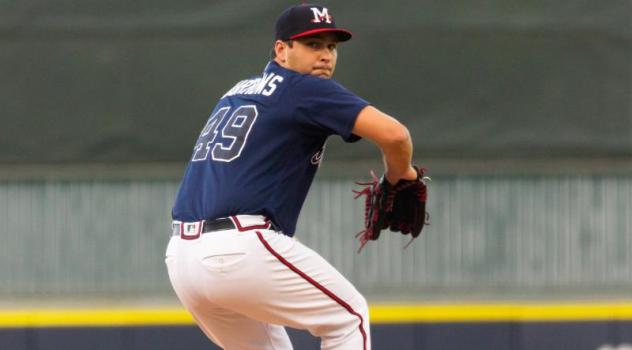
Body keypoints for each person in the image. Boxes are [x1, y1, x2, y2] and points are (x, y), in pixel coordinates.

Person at [166, 3, 418, 350]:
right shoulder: (303, 88)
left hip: (183, 258)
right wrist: (400, 175)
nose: (326, 56)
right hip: (239, 250)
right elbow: (395, 136)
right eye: (313, 44)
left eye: (331, 46)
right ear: (281, 50)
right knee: (349, 318)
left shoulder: (237, 90)